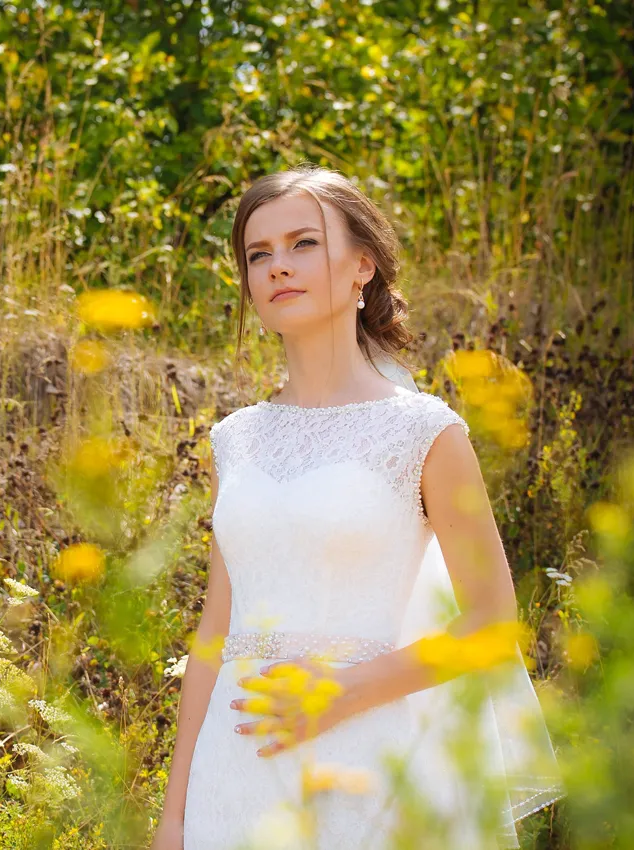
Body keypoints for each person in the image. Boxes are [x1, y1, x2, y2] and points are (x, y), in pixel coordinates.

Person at [150, 165, 564, 850]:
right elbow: (214, 633)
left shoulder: (426, 432)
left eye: (303, 244)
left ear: (362, 265)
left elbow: (492, 620)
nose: (278, 266)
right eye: (259, 255)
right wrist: (175, 815)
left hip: (370, 759)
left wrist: (341, 694)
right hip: (236, 766)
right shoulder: (235, 439)